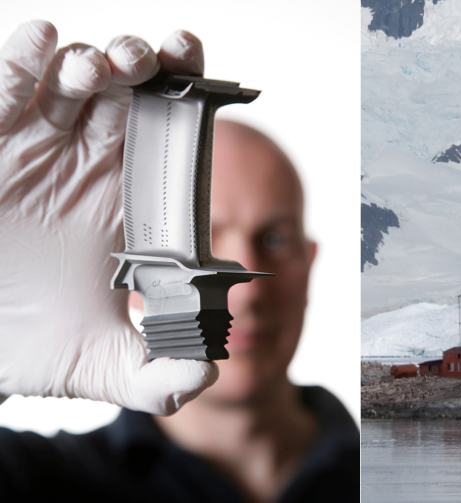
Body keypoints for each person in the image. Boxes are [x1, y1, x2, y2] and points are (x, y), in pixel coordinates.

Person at [0, 21, 358, 501]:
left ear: (308, 262)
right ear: (124, 268)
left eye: (273, 238)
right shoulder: (32, 480)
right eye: (205, 235)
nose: (245, 291)